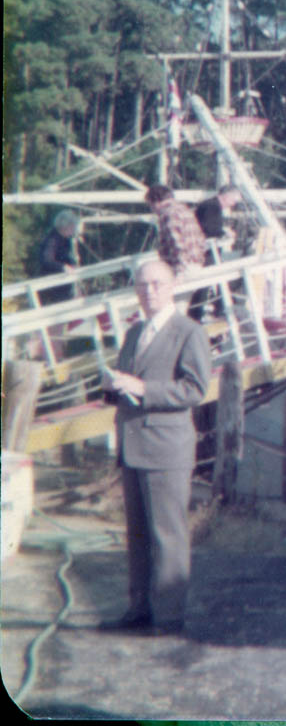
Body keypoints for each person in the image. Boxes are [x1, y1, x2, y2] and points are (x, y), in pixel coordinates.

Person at [98, 258, 212, 635]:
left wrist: (144, 388)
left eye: (157, 284)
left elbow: (195, 389)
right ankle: (139, 608)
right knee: (138, 535)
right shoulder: (135, 332)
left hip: (166, 449)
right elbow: (128, 384)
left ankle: (168, 617)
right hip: (132, 446)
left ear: (173, 286)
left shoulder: (189, 332)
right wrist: (113, 387)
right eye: (142, 285)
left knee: (167, 535)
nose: (149, 292)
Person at [190, 184, 242, 321]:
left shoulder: (211, 205)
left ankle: (206, 310)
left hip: (208, 250)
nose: (233, 204)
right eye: (233, 201)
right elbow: (209, 228)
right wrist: (224, 232)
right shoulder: (212, 206)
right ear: (227, 195)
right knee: (205, 281)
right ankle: (197, 313)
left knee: (208, 282)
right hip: (206, 251)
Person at [144, 183, 207, 277]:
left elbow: (176, 243)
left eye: (150, 205)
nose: (152, 209)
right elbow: (201, 238)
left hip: (183, 267)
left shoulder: (168, 214)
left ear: (156, 201)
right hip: (196, 261)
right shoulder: (184, 209)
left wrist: (179, 270)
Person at [35, 209, 81, 304]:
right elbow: (46, 260)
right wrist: (63, 267)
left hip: (64, 285)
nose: (74, 229)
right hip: (53, 287)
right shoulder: (52, 239)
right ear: (67, 226)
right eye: (73, 227)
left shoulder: (67, 239)